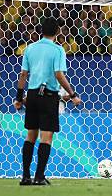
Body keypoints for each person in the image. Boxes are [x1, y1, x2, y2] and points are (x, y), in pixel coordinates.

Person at [13, 17, 82, 185]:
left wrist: (19, 98)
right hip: (49, 96)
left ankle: (25, 177)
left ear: (40, 31)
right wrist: (73, 95)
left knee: (30, 136)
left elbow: (23, 75)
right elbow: (59, 74)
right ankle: (39, 177)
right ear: (57, 32)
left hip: (33, 95)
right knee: (46, 138)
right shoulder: (58, 50)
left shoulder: (30, 49)